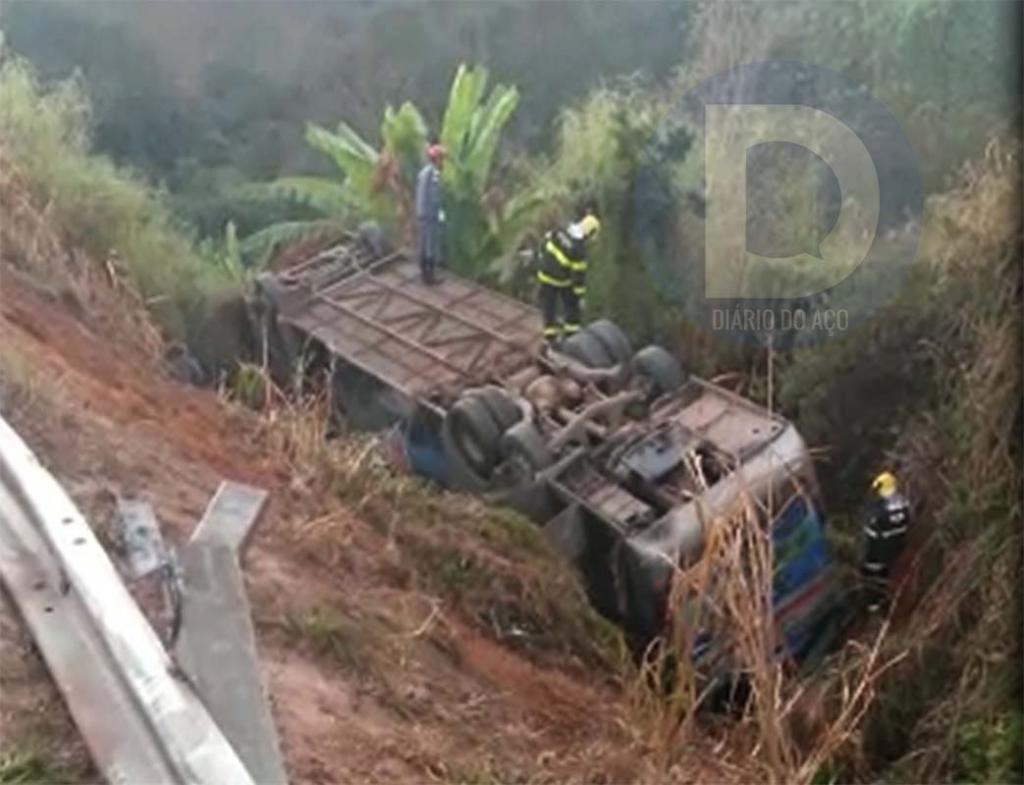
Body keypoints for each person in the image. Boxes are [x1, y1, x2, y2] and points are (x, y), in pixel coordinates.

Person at [535, 207, 601, 345]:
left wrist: (541, 259)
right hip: (560, 280)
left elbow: (546, 240)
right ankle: (571, 338)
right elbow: (578, 277)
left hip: (544, 274)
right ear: (590, 233)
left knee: (549, 307)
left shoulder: (562, 229)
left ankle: (550, 339)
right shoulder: (579, 249)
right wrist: (580, 297)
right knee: (572, 307)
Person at [861, 470, 911, 613]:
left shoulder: (879, 511)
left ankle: (875, 605)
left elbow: (871, 533)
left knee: (870, 575)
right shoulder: (904, 503)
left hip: (881, 551)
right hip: (900, 546)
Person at [415, 143, 446, 284]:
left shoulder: (423, 172)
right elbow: (434, 196)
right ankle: (430, 277)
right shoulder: (434, 174)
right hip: (430, 214)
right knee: (431, 244)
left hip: (421, 212)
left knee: (423, 243)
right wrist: (438, 212)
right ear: (437, 159)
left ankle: (423, 274)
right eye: (442, 159)